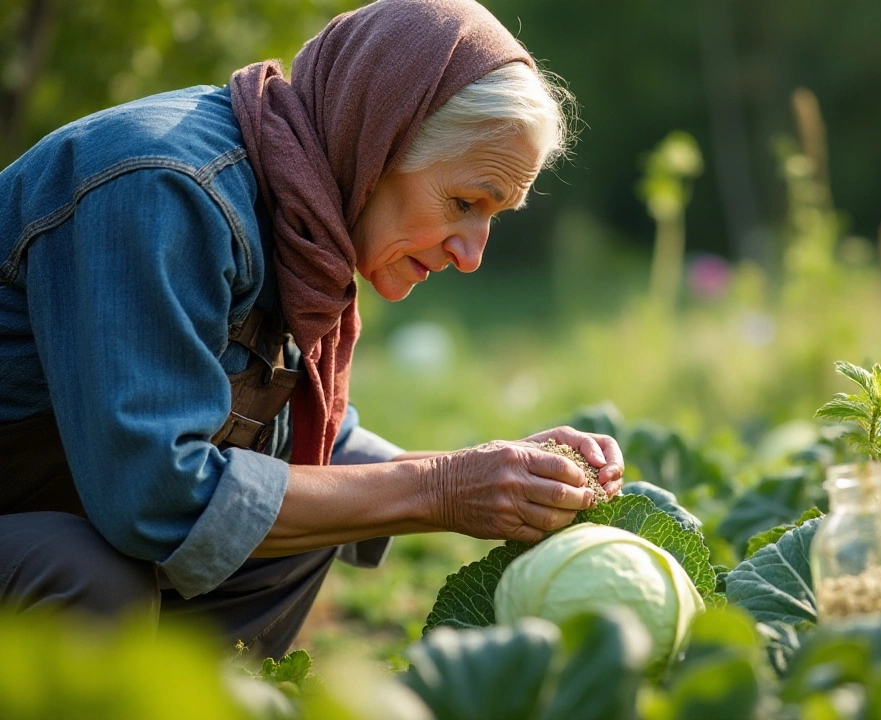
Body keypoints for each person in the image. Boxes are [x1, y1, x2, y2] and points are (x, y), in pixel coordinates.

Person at [0, 0, 624, 659]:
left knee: (310, 515)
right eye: (465, 203)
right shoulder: (166, 190)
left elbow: (304, 448)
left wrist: (502, 473)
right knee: (85, 576)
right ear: (375, 138)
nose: (471, 255)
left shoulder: (299, 222)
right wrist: (437, 489)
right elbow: (154, 496)